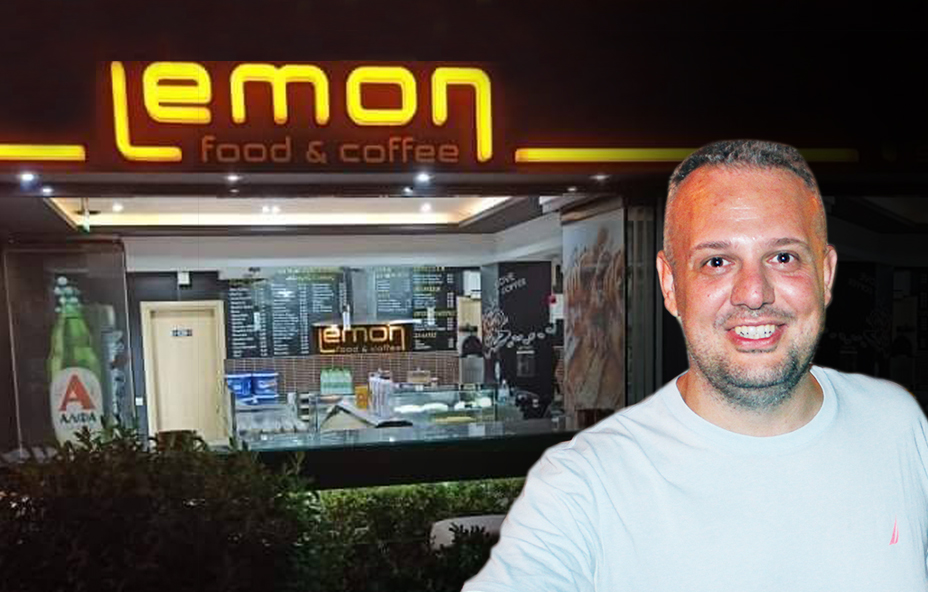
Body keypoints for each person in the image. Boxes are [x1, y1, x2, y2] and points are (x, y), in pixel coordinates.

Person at [462, 139, 928, 592]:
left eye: (783, 257)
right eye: (717, 261)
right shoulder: (584, 485)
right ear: (670, 286)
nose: (753, 293)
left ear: (825, 275)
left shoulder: (898, 425)